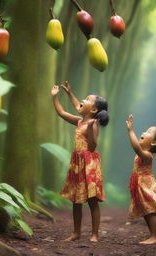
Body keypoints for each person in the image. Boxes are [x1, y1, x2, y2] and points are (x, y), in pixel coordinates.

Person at [51, 81, 109, 242]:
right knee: (76, 200)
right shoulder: (79, 120)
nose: (82, 101)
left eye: (87, 99)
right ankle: (76, 233)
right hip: (77, 163)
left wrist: (90, 131)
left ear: (94, 110)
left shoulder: (92, 124)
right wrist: (59, 96)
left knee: (92, 200)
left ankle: (95, 234)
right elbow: (63, 112)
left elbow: (92, 146)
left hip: (89, 163)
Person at [126, 114, 156, 244]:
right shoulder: (144, 152)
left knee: (150, 211)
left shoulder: (147, 155)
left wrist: (131, 131)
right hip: (140, 184)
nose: (144, 132)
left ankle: (155, 236)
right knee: (145, 211)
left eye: (149, 132)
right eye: (146, 130)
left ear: (154, 142)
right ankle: (152, 235)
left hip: (146, 185)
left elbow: (136, 148)